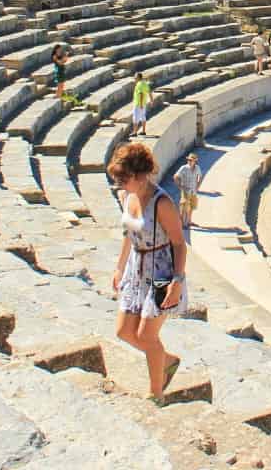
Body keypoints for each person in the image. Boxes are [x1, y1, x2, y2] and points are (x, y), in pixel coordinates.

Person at [109, 142, 187, 401]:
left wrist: (177, 280)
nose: (120, 183)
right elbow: (128, 234)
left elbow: (178, 242)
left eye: (123, 178)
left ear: (140, 175)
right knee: (123, 331)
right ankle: (166, 361)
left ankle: (156, 394)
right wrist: (119, 267)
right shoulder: (126, 196)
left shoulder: (161, 203)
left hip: (161, 270)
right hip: (135, 266)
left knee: (146, 335)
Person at [174, 152, 202, 229]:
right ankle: (181, 224)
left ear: (195, 161)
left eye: (191, 160)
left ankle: (189, 222)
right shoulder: (184, 168)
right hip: (186, 191)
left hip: (193, 191)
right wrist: (180, 186)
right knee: (183, 208)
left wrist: (198, 186)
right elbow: (175, 176)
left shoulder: (197, 168)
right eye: (189, 160)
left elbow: (200, 176)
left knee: (192, 207)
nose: (189, 161)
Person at [131, 71, 152, 136]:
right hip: (144, 104)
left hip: (138, 104)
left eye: (135, 77)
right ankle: (143, 131)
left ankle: (134, 132)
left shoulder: (139, 84)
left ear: (138, 77)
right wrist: (151, 100)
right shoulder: (145, 83)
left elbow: (141, 94)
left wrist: (140, 104)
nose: (134, 78)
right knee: (143, 117)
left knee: (135, 118)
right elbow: (149, 92)